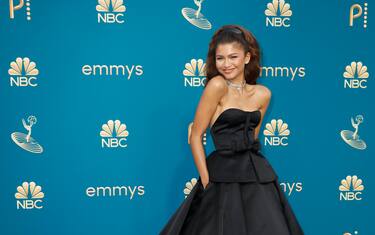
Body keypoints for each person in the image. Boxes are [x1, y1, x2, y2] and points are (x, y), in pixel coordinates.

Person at [160, 24, 304, 235]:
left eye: (233, 57)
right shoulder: (217, 86)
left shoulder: (263, 94)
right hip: (222, 176)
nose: (226, 64)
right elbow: (197, 135)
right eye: (220, 58)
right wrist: (206, 179)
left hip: (256, 175)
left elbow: (253, 135)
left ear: (247, 58)